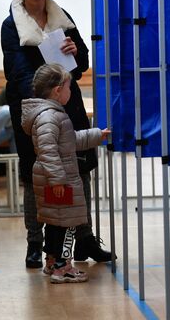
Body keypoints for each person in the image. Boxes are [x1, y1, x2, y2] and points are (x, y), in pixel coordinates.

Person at [1, 0, 113, 269]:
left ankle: (85, 239)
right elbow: (18, 73)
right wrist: (52, 84)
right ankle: (35, 244)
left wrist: (75, 52)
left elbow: (84, 63)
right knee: (38, 176)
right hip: (35, 111)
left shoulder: (62, 17)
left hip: (68, 104)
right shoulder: (11, 26)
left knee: (81, 169)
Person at [21, 64, 110, 283]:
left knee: (55, 221)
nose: (72, 92)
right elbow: (48, 150)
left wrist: (98, 135)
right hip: (58, 179)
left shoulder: (51, 114)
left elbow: (69, 141)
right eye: (70, 87)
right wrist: (58, 180)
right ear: (57, 90)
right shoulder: (49, 116)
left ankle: (52, 262)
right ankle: (63, 268)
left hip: (53, 177)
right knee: (65, 223)